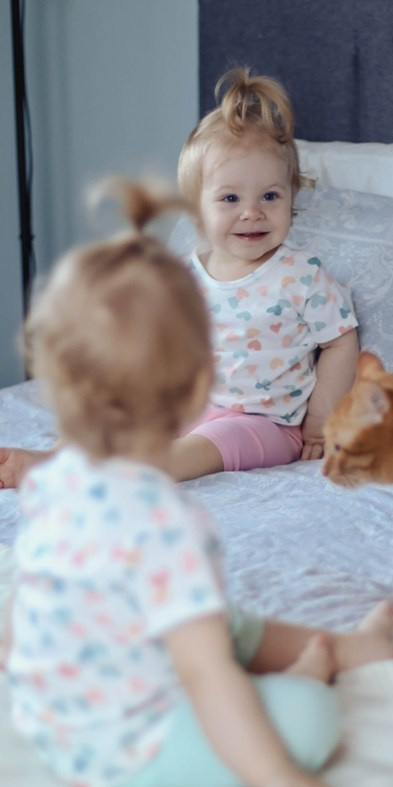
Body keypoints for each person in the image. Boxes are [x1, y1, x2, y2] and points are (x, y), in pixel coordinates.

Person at [3, 180, 393, 787]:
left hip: (56, 714)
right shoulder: (163, 525)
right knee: (305, 722)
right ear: (196, 392)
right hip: (120, 744)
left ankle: (358, 646)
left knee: (224, 621)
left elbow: (32, 588)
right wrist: (277, 776)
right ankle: (315, 669)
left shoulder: (56, 479)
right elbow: (205, 675)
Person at [0, 66, 359, 489]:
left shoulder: (301, 275)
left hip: (263, 424)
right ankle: (55, 459)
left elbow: (340, 338)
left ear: (291, 197)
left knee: (195, 450)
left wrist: (319, 422)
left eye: (270, 196)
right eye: (230, 198)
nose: (252, 211)